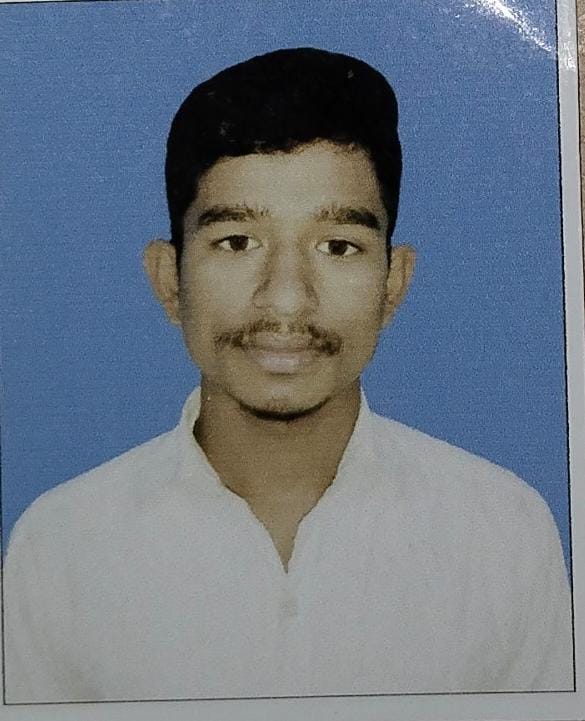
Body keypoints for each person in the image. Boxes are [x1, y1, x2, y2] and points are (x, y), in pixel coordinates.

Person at [3, 47, 573, 704]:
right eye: (236, 242)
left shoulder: (503, 533)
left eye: (337, 246)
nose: (285, 299)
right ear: (169, 279)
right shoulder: (60, 546)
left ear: (393, 283)